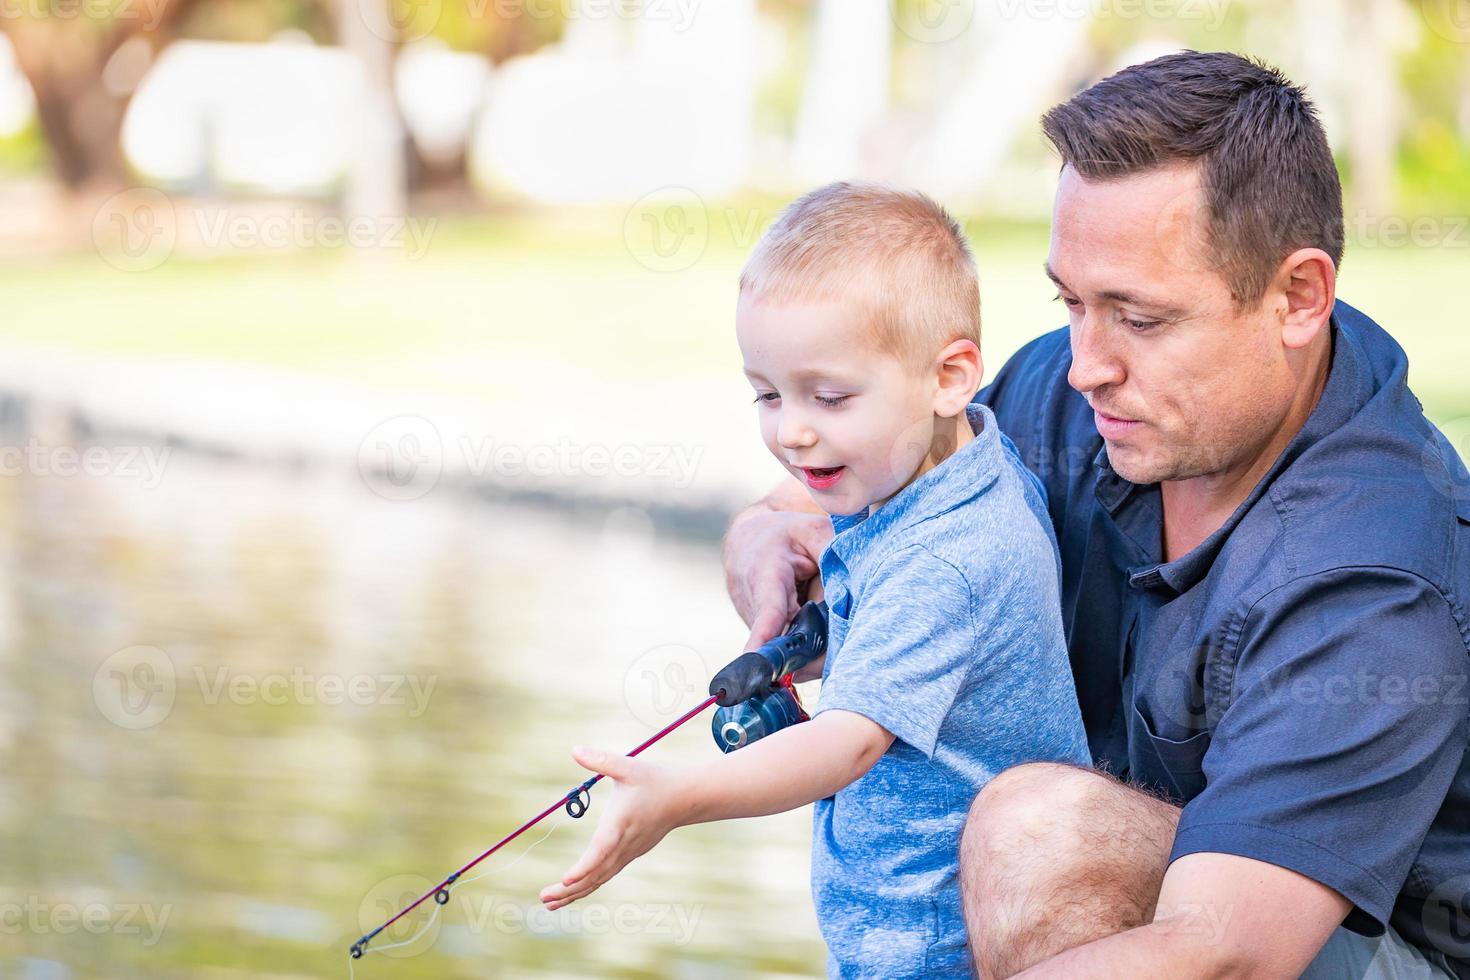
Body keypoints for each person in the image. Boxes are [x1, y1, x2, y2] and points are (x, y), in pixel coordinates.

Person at [722, 51, 1470, 979]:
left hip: (1317, 940)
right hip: (1160, 899)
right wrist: (763, 538)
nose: (1085, 365)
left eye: (1139, 318)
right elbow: (800, 497)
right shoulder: (1073, 391)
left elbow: (1225, 952)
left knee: (1037, 831)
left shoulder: (1375, 581)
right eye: (1071, 301)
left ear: (1297, 297)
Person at [539, 181, 1091, 977]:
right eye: (766, 393)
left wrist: (677, 797)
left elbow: (843, 743)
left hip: (930, 942)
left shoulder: (943, 558)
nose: (792, 431)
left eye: (830, 397)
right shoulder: (967, 465)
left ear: (949, 377)